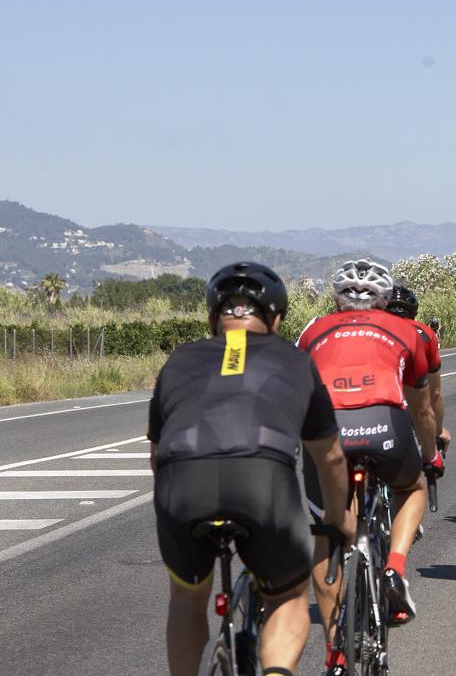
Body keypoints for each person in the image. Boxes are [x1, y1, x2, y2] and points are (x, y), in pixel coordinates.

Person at [148, 261, 352, 676]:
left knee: (187, 598)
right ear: (276, 317)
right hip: (263, 482)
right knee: (289, 596)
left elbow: (156, 454)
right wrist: (337, 517)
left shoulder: (178, 361)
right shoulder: (296, 361)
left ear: (212, 316)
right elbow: (328, 456)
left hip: (181, 482)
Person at [296, 259, 439, 663]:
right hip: (385, 423)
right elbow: (423, 409)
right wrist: (431, 456)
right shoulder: (407, 329)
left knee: (328, 530)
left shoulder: (313, 329)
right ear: (386, 299)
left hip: (327, 431)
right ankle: (394, 566)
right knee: (411, 489)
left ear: (335, 297)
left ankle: (334, 654)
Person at [385, 284, 453, 454]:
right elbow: (435, 392)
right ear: (413, 312)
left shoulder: (370, 329)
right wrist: (438, 431)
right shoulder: (425, 333)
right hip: (409, 405)